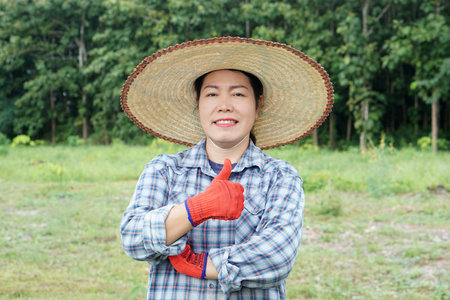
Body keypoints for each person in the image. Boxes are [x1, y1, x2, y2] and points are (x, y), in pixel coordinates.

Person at [120, 37, 334, 299]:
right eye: (211, 94)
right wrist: (196, 209)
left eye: (238, 93)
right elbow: (132, 238)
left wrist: (202, 266)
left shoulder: (280, 177)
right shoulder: (164, 170)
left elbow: (278, 255)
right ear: (197, 103)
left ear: (258, 104)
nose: (225, 105)